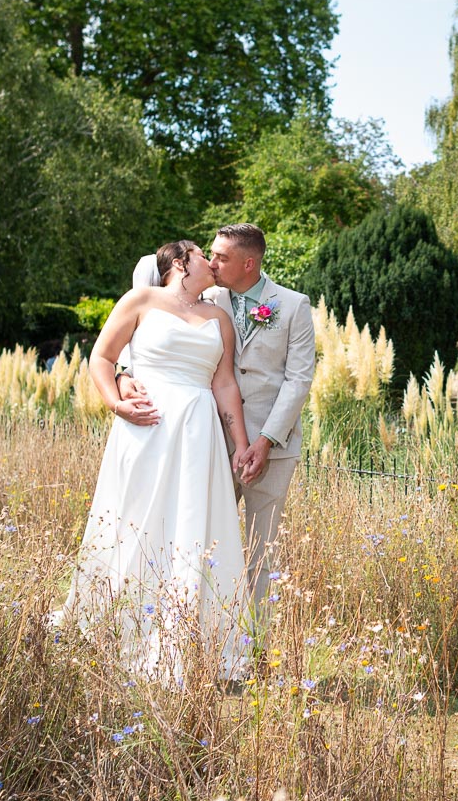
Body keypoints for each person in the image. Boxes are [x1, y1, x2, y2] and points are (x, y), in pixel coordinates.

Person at [56, 240, 252, 681]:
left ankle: (189, 641)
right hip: (145, 429)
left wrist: (239, 444)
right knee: (135, 520)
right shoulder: (141, 300)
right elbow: (102, 358)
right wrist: (116, 403)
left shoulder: (219, 318)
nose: (212, 261)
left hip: (198, 431)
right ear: (181, 262)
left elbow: (224, 386)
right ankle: (111, 628)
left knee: (190, 525)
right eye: (204, 254)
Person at [119, 223, 315, 613]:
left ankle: (256, 642)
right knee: (196, 537)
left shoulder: (293, 305)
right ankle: (195, 625)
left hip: (271, 447)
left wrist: (264, 441)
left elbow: (298, 380)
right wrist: (125, 374)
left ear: (249, 263)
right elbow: (148, 324)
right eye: (210, 253)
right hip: (207, 439)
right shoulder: (204, 293)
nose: (211, 261)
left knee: (263, 551)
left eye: (222, 257)